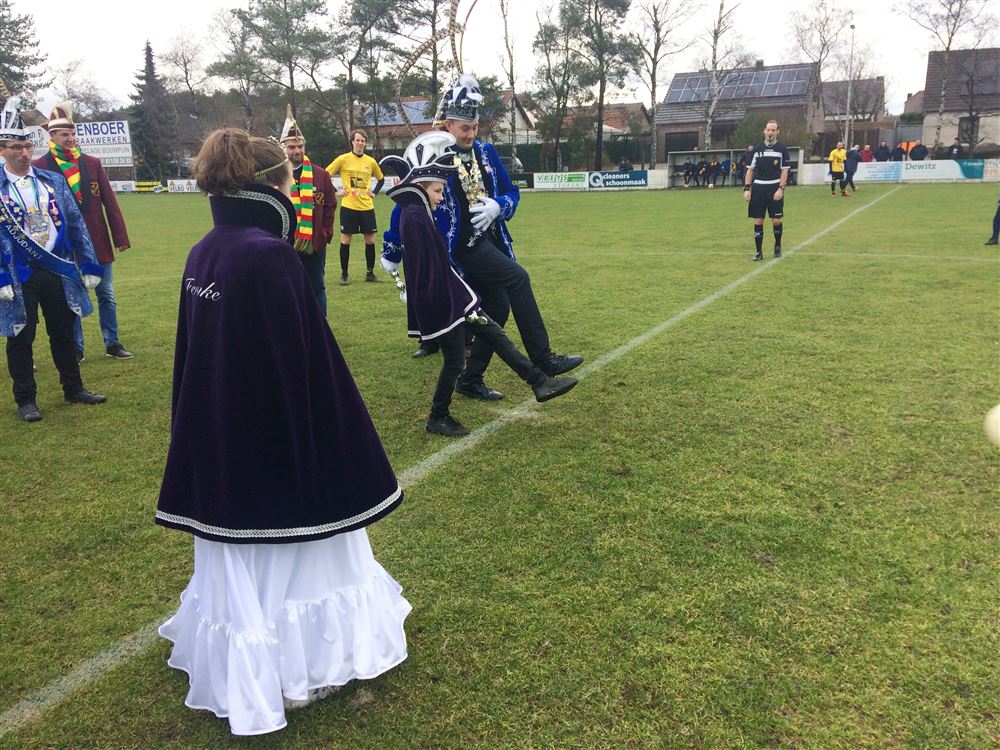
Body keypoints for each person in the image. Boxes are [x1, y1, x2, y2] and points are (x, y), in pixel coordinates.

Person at [155, 129, 409, 736]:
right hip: (274, 440)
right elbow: (298, 358)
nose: (296, 187)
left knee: (244, 552)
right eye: (291, 179)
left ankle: (260, 653)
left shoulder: (205, 249)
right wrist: (319, 440)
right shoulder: (267, 255)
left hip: (223, 429)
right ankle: (298, 665)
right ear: (274, 183)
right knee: (288, 553)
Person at [382, 74, 582, 401]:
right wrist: (392, 249)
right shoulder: (434, 154)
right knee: (518, 278)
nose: (471, 134)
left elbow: (511, 192)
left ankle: (471, 379)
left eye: (475, 128)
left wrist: (499, 206)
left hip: (486, 241)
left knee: (497, 307)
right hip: (457, 250)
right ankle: (543, 358)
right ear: (448, 125)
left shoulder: (486, 153)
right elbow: (407, 201)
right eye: (465, 128)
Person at [0, 95, 107, 422]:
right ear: (2, 150)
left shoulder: (52, 181)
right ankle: (26, 400)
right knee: (21, 337)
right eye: (16, 148)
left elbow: (75, 223)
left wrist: (89, 263)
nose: (24, 154)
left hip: (57, 269)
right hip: (17, 274)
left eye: (27, 147)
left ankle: (73, 388)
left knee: (63, 331)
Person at [32, 101, 133, 361]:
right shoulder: (40, 167)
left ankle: (112, 343)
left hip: (98, 242)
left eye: (72, 133)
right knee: (72, 298)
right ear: (52, 136)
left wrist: (120, 237)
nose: (70, 138)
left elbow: (110, 202)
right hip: (64, 245)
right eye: (64, 134)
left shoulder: (92, 163)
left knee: (106, 294)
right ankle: (76, 348)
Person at [279, 105, 336, 314]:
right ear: (283, 148)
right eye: (292, 147)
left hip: (314, 242)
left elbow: (330, 206)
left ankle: (321, 325)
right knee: (288, 288)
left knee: (317, 287)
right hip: (285, 243)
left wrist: (325, 232)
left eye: (300, 146)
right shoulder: (277, 175)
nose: (297, 151)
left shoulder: (320, 175)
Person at [325, 129, 385, 285]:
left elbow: (381, 179)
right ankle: (344, 275)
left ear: (365, 143)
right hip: (349, 207)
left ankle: (370, 273)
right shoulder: (343, 159)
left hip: (367, 207)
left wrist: (374, 193)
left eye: (362, 141)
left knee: (370, 240)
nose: (360, 143)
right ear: (352, 141)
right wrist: (336, 191)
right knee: (345, 240)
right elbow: (325, 175)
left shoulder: (370, 162)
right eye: (357, 140)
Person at [743, 119, 790, 262]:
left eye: (773, 130)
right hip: (758, 188)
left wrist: (780, 189)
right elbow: (750, 170)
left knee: (776, 221)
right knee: (758, 220)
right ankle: (758, 252)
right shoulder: (757, 149)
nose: (770, 132)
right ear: (764, 131)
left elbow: (784, 171)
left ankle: (777, 245)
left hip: (774, 187)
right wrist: (747, 189)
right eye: (768, 130)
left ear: (777, 132)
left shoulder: (782, 149)